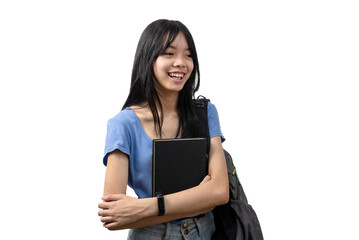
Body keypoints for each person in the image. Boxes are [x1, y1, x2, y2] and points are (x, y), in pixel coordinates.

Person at [98, 19, 229, 239]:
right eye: (169, 53)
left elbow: (220, 191)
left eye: (188, 55)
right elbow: (113, 216)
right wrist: (198, 202)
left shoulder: (205, 113)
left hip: (205, 232)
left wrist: (148, 206)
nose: (181, 63)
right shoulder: (123, 124)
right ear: (148, 59)